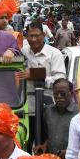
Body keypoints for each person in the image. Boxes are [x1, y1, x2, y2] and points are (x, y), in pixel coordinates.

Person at [19, 21, 66, 150]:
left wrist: (36, 76)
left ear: (44, 34)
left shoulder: (54, 53)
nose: (33, 39)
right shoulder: (22, 52)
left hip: (48, 108)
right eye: (30, 36)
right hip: (26, 108)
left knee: (47, 144)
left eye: (37, 35)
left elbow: (60, 80)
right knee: (26, 142)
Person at [34, 79, 78, 159]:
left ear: (71, 94)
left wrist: (69, 152)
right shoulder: (48, 111)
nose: (59, 97)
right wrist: (44, 146)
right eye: (56, 94)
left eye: (63, 94)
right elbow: (48, 135)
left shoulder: (79, 113)